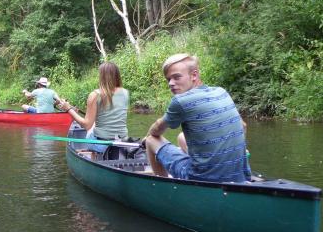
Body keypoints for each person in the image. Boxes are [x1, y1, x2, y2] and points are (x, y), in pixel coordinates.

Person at [143, 53, 251, 183]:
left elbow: (156, 130)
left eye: (176, 77)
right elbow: (243, 126)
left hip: (202, 178)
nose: (171, 83)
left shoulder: (181, 101)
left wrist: (144, 140)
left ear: (194, 75)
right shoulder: (221, 92)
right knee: (181, 137)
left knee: (151, 140)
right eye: (168, 79)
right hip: (240, 176)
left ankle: (162, 186)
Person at [59, 62, 129, 155]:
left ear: (101, 76)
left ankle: (94, 153)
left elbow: (87, 125)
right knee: (96, 123)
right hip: (122, 142)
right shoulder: (125, 93)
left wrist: (68, 109)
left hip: (101, 146)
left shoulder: (95, 95)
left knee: (91, 126)